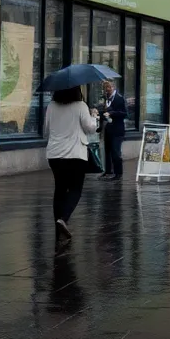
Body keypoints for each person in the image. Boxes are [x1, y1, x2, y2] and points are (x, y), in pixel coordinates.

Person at [44, 86, 99, 239]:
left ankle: (58, 224)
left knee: (60, 189)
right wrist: (94, 116)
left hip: (55, 154)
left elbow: (46, 129)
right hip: (75, 154)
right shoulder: (81, 106)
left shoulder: (51, 106)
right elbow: (90, 129)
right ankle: (63, 219)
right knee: (75, 189)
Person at [99, 80, 127, 180]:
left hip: (117, 129)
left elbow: (124, 113)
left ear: (113, 87)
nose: (107, 90)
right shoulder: (105, 99)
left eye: (109, 87)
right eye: (105, 88)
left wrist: (112, 113)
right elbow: (104, 112)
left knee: (116, 151)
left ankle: (118, 173)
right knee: (107, 151)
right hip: (108, 129)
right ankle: (108, 171)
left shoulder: (119, 98)